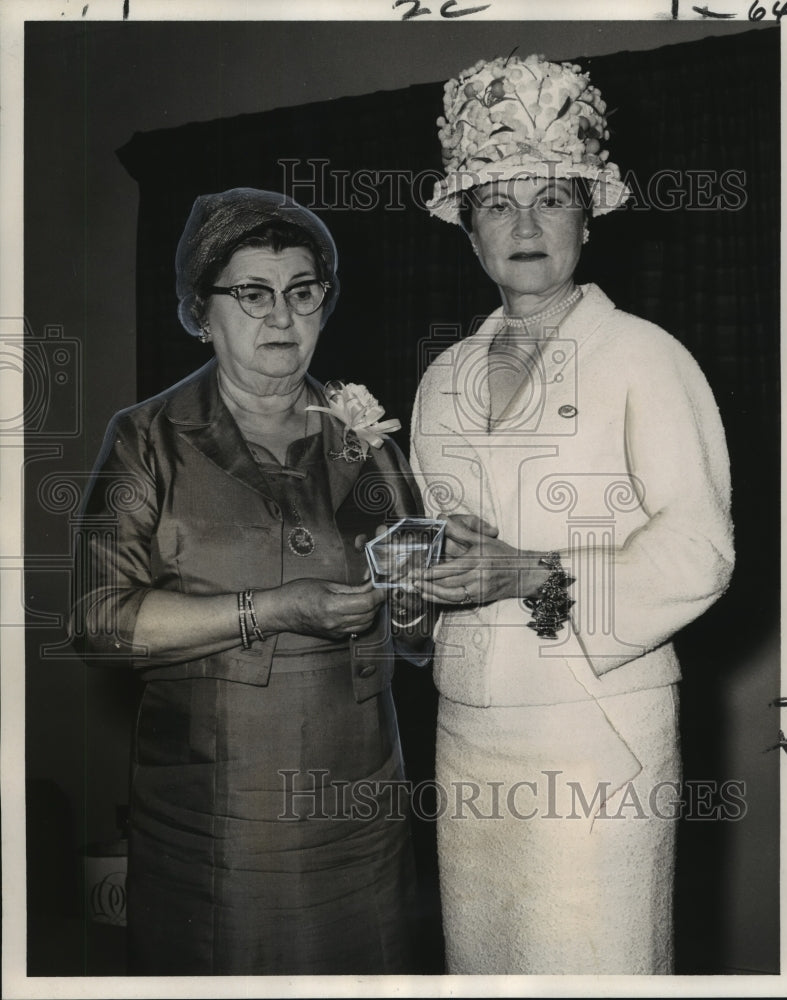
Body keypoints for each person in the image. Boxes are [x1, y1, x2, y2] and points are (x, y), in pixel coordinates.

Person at [409, 54, 735, 974]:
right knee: (485, 965)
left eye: (551, 198)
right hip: (469, 725)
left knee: (596, 963)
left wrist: (532, 569)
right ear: (467, 229)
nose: (523, 224)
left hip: (598, 729)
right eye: (497, 203)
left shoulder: (644, 356)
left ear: (587, 221)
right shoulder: (442, 379)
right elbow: (440, 549)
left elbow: (700, 553)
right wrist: (402, 584)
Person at [71, 188, 431, 976]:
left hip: (364, 807)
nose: (282, 319)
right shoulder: (148, 440)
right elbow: (98, 620)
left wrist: (430, 587)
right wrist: (271, 608)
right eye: (253, 295)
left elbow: (416, 626)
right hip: (221, 815)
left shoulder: (366, 430)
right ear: (201, 312)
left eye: (303, 293)